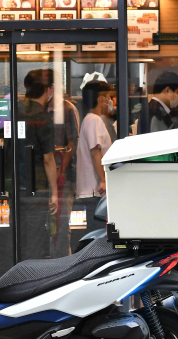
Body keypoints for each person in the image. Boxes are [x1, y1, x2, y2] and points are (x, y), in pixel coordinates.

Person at [18, 69, 58, 260]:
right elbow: (48, 159)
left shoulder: (16, 110)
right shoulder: (42, 118)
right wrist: (55, 192)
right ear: (47, 90)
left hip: (15, 184)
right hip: (38, 185)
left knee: (20, 232)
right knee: (36, 235)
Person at [45, 77, 80, 258]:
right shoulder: (40, 109)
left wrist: (61, 170)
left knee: (61, 226)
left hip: (63, 176)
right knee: (46, 226)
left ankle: (62, 269)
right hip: (44, 175)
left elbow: (73, 142)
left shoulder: (67, 109)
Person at [76, 80, 113, 233]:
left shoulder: (90, 119)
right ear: (101, 99)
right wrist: (103, 180)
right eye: (109, 97)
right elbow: (95, 151)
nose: (111, 102)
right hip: (95, 190)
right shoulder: (94, 120)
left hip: (94, 190)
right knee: (97, 234)